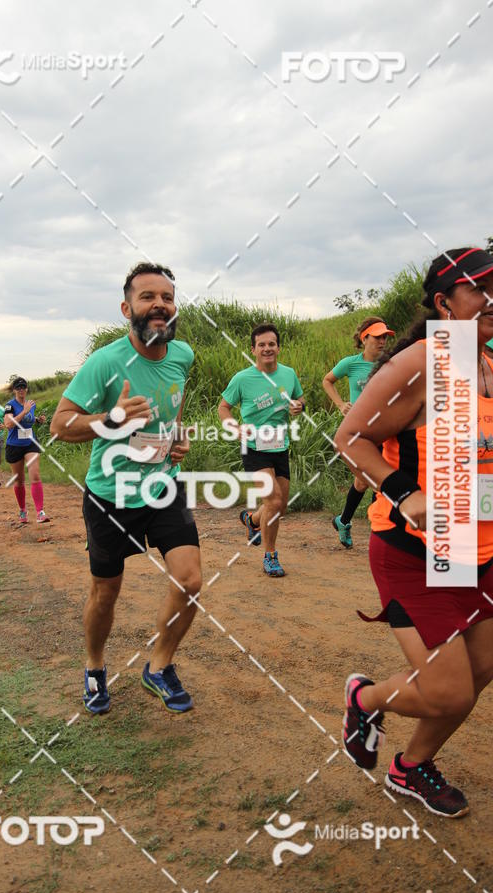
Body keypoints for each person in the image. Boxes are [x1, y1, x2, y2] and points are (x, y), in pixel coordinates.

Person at [336, 247, 493, 817]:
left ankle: (410, 767)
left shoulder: (487, 363)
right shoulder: (420, 362)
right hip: (414, 551)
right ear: (444, 303)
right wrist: (406, 493)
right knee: (450, 690)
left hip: (478, 549)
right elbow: (351, 438)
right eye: (480, 288)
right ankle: (365, 699)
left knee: (480, 671)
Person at [51, 261, 200, 716]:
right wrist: (111, 420)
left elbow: (172, 407)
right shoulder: (106, 362)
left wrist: (176, 437)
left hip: (163, 486)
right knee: (106, 592)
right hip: (110, 496)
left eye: (167, 298)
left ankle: (159, 666)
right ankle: (95, 666)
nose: (159, 305)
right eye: (147, 297)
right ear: (126, 308)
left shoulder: (183, 355)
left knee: (190, 581)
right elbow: (60, 425)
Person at [218, 323, 305, 577]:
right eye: (262, 345)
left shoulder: (289, 374)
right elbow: (223, 408)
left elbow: (300, 398)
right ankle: (270, 556)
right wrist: (234, 428)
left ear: (278, 347)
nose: (267, 349)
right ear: (253, 349)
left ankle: (252, 520)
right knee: (274, 501)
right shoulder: (242, 379)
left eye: (271, 344)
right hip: (254, 447)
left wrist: (299, 406)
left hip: (280, 446)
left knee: (280, 507)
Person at [323, 317, 394, 548]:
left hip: (384, 429)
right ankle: (379, 534)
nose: (382, 341)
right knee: (375, 479)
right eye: (377, 337)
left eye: (385, 337)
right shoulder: (350, 364)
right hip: (359, 432)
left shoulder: (390, 363)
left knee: (364, 481)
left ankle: (343, 521)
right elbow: (327, 381)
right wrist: (340, 404)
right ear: (364, 339)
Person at [3, 378, 50, 524]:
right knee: (19, 481)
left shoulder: (31, 404)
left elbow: (28, 418)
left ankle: (40, 512)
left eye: (23, 387)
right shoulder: (9, 406)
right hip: (14, 445)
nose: (21, 390)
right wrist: (24, 411)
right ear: (14, 390)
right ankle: (23, 510)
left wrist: (37, 420)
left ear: (27, 389)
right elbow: (9, 424)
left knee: (35, 474)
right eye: (18, 387)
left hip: (30, 443)